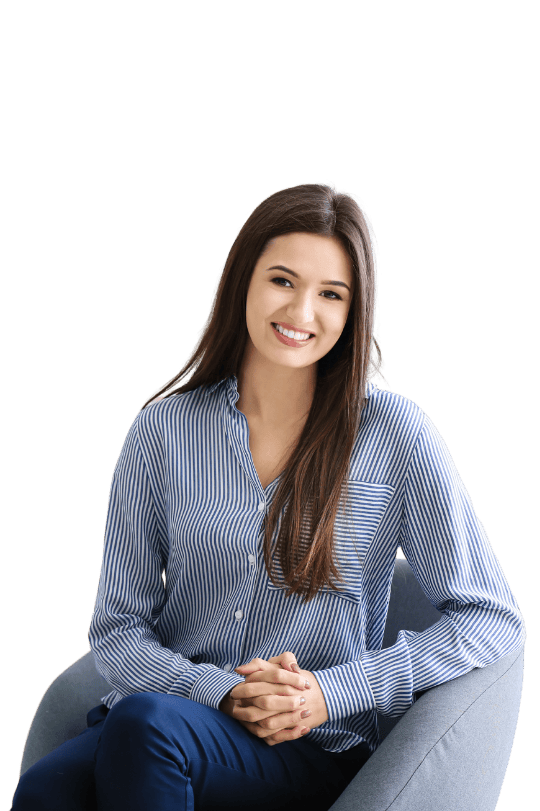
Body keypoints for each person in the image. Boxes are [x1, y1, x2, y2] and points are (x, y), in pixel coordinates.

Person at [11, 181, 526, 810]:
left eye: (331, 294)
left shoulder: (396, 434)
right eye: (283, 281)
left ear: (353, 312)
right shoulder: (162, 431)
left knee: (148, 732)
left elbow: (491, 618)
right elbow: (118, 629)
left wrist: (331, 692)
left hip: (309, 746)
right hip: (168, 715)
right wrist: (218, 691)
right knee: (48, 788)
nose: (302, 312)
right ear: (243, 283)